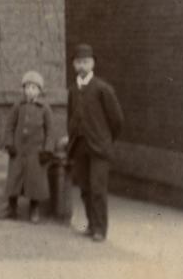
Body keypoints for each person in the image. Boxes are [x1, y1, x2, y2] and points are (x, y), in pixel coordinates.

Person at [60, 43, 123, 243]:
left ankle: (100, 230)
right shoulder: (72, 90)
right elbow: (71, 116)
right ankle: (91, 224)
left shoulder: (103, 89)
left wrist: (106, 140)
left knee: (98, 188)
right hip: (79, 146)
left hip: (99, 149)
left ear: (93, 63)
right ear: (73, 65)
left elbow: (117, 120)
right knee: (85, 188)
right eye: (78, 62)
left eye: (85, 62)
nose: (82, 66)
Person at [3, 70, 53, 222]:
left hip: (36, 151)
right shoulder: (18, 106)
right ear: (23, 89)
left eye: (34, 88)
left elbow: (50, 131)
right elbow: (10, 126)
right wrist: (9, 144)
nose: (30, 91)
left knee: (35, 182)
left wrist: (47, 150)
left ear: (39, 91)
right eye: (27, 87)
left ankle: (34, 210)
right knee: (14, 180)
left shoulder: (44, 108)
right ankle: (12, 208)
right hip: (18, 150)